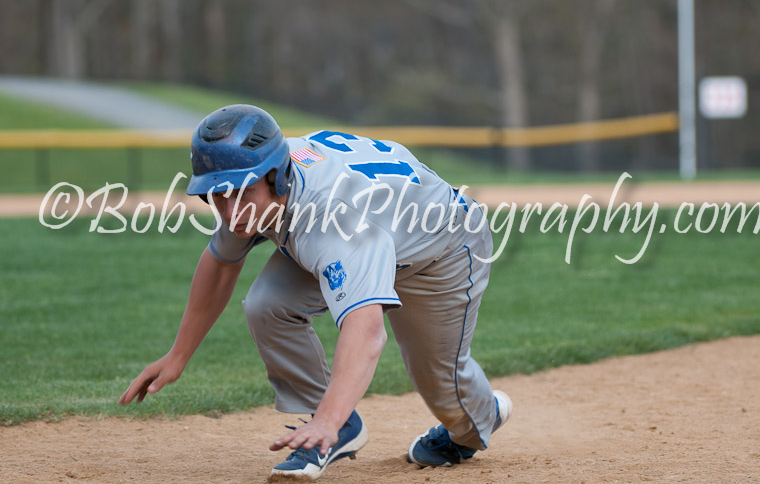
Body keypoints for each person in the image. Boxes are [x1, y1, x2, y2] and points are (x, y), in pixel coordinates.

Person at [119, 104, 512, 480]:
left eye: (239, 193)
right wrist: (178, 354)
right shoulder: (254, 176)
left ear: (278, 177)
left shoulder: (332, 221)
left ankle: (477, 421)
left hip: (440, 253)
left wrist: (329, 416)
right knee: (266, 305)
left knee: (439, 381)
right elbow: (221, 263)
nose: (229, 210)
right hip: (368, 227)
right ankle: (337, 429)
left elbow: (366, 330)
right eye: (217, 195)